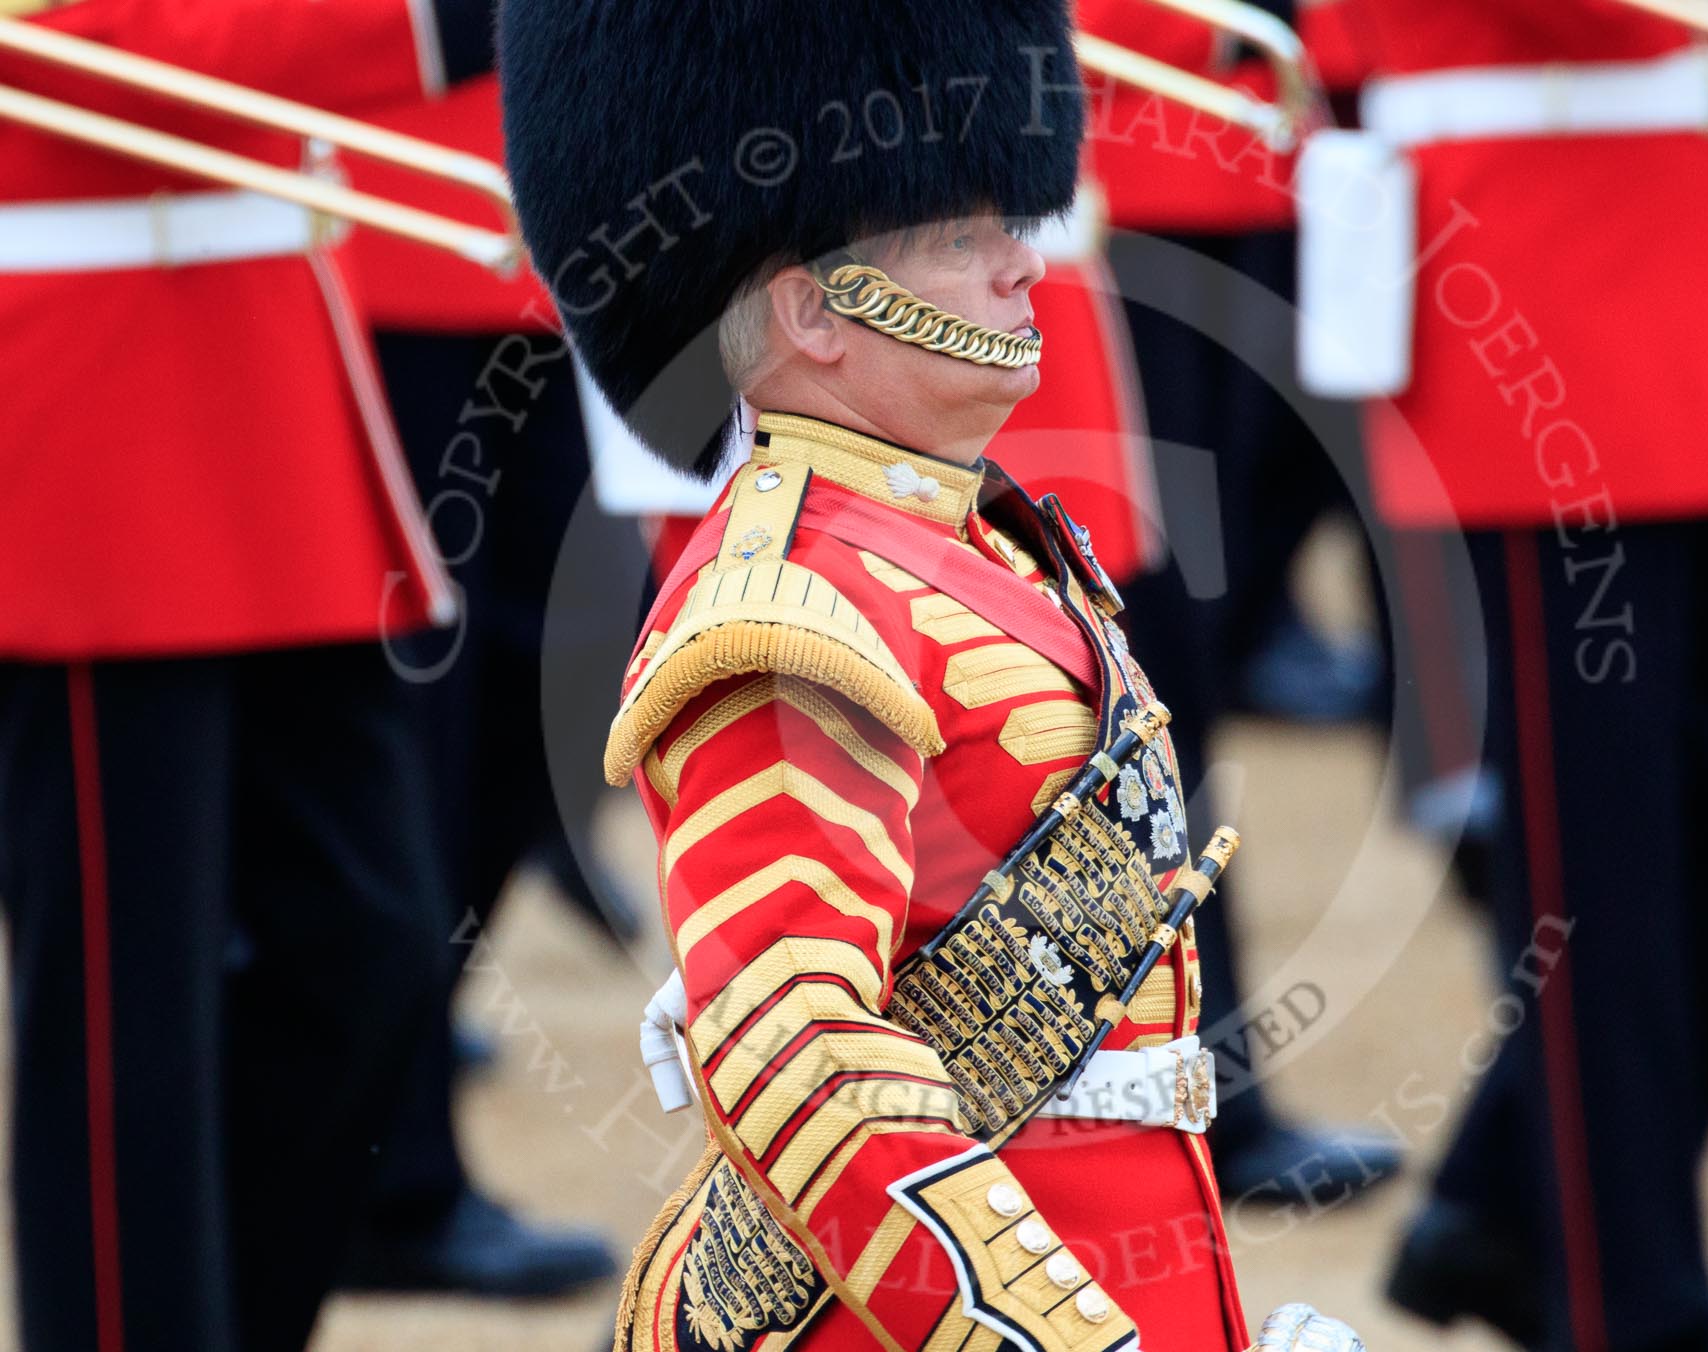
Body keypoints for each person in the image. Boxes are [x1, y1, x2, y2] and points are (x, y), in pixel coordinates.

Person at [498, 0, 1363, 1346]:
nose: (1021, 261)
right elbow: (799, 1056)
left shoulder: (989, 548)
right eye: (959, 236)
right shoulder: (783, 609)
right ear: (814, 311)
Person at [1334, 5, 1708, 1351]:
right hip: (1541, 271)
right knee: (1602, 863)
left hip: (1681, 249)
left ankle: (1502, 1207)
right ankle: (1624, 1303)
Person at [0, 1, 490, 1348]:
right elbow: (122, 49)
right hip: (92, 418)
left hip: (262, 394)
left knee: (372, 948)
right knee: (124, 1031)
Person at [1082, 0, 1404, 1206]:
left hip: (1242, 162)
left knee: (1177, 673)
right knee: (1143, 676)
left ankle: (1205, 1088)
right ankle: (1199, 1095)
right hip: (1108, 181)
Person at [336, 69, 624, 1300]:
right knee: (416, 728)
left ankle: (369, 1052)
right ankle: (386, 1170)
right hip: (383, 226)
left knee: (560, 682)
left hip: (552, 235)